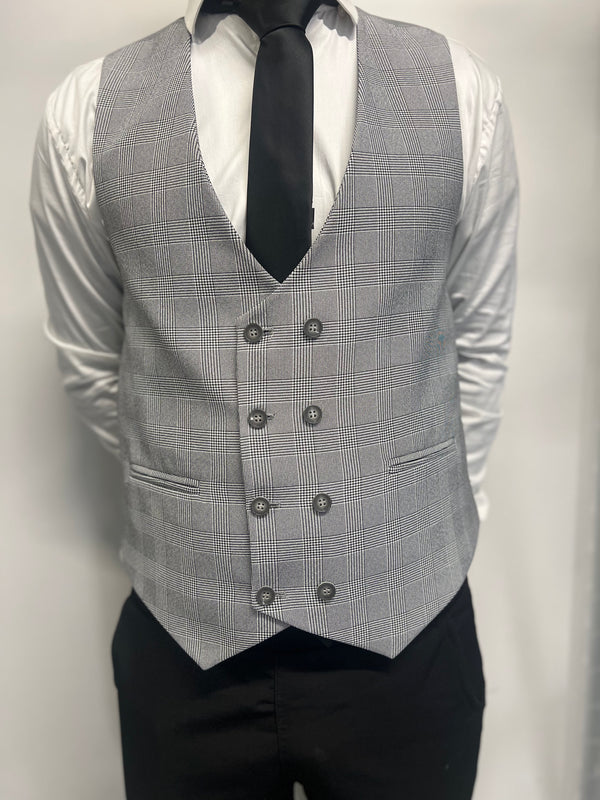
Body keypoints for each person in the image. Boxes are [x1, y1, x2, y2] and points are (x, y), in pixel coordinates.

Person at [28, 0, 519, 797]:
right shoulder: (86, 110)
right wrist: (199, 496)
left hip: (409, 644)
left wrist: (417, 531)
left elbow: (479, 343)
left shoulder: (459, 88)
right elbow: (94, 364)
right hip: (187, 650)